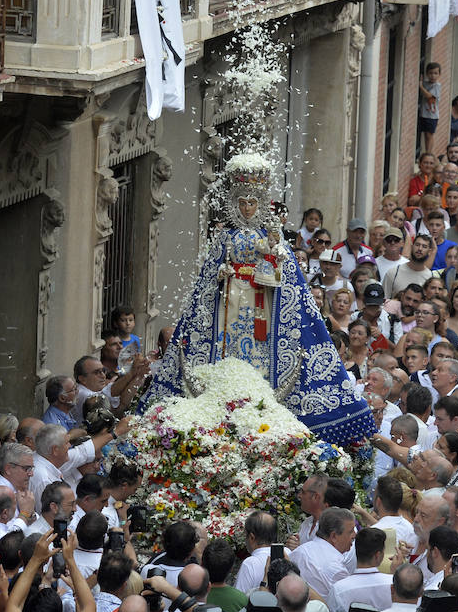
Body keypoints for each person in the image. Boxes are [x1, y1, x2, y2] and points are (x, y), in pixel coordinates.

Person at [140, 154, 373, 445]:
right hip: (231, 297)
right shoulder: (225, 238)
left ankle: (258, 380)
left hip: (262, 298)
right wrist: (223, 273)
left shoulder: (272, 238)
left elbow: (289, 282)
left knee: (258, 340)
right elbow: (210, 277)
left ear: (260, 204)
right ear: (235, 205)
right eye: (242, 204)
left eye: (252, 203)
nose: (247, 209)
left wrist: (273, 256)